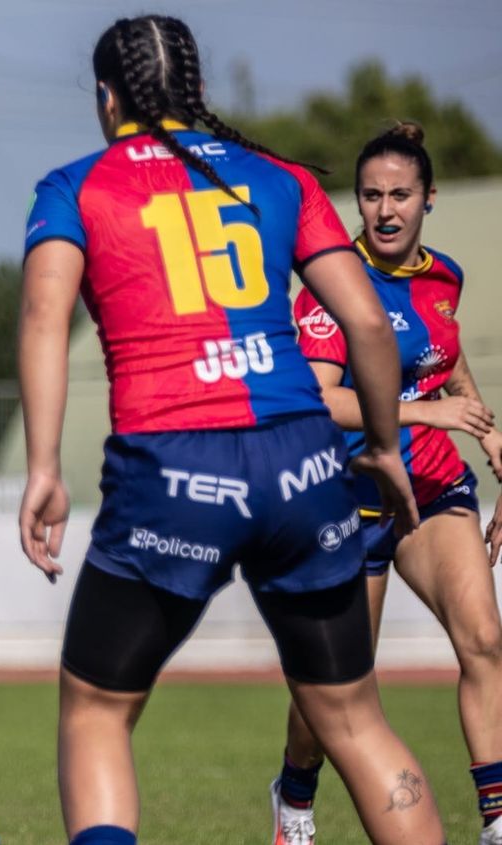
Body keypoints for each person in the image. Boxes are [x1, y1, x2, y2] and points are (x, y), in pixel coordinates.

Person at [17, 15, 446, 845]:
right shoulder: (279, 176)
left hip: (177, 467)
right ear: (201, 93)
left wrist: (42, 464)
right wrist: (387, 448)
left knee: (97, 711)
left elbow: (42, 315)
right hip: (302, 460)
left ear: (108, 99)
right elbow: (366, 319)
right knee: (354, 718)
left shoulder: (77, 184)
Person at [269, 121, 502, 845]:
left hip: (431, 486)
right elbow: (323, 397)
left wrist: (489, 431)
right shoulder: (335, 286)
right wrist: (426, 409)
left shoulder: (445, 276)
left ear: (428, 198)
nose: (386, 209)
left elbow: (444, 358)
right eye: (371, 195)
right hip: (351, 495)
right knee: (340, 688)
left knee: (486, 641)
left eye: (401, 194)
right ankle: (296, 795)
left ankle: (497, 818)